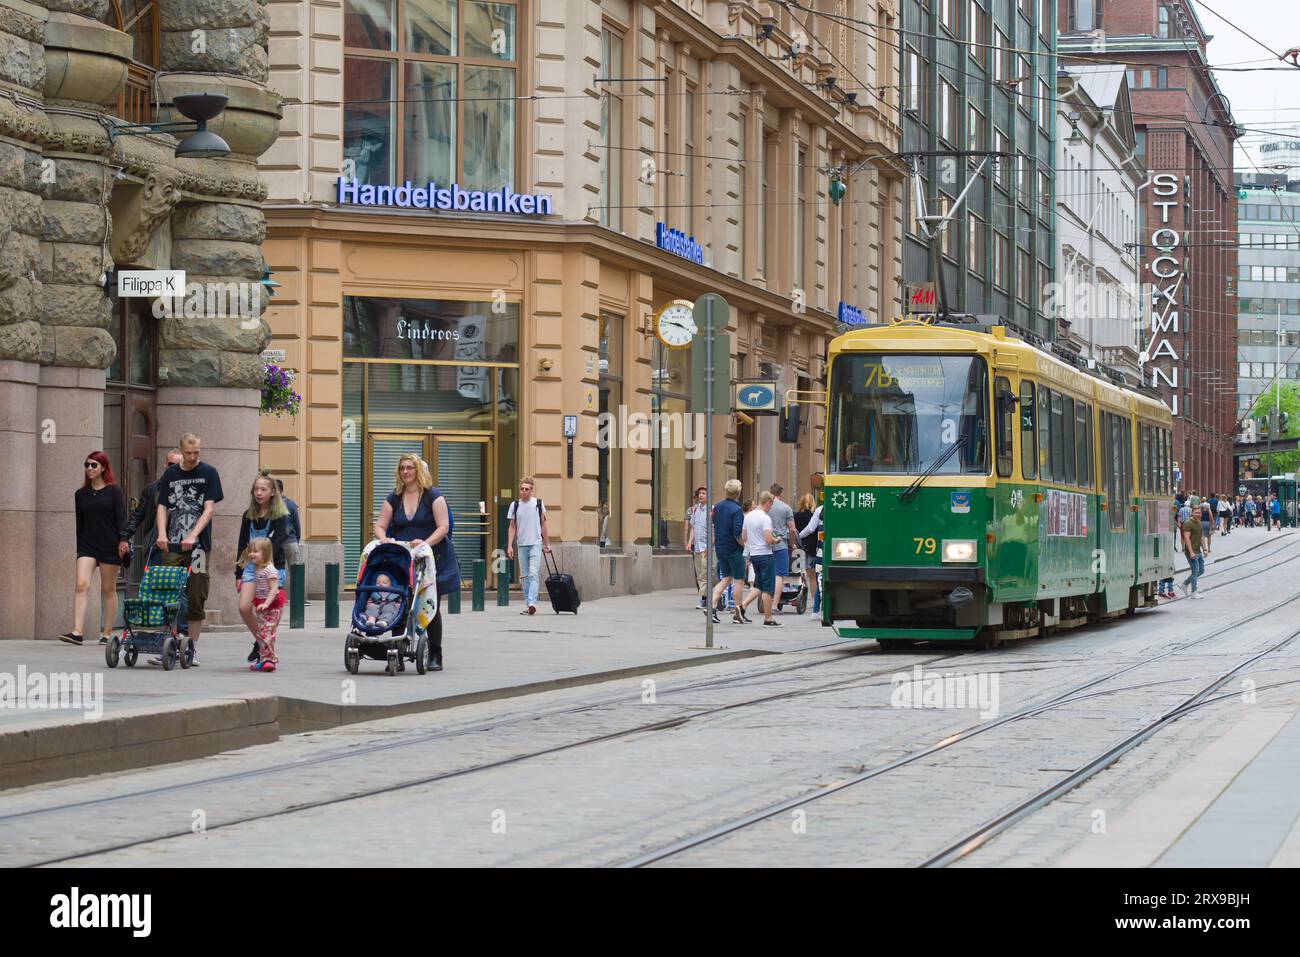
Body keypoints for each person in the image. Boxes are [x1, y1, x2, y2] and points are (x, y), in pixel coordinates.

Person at [374, 453, 459, 670]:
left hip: (431, 557)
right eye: (402, 468)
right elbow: (380, 525)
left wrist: (426, 543)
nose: (405, 472)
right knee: (399, 600)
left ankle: (435, 653)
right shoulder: (394, 497)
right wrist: (384, 540)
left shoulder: (433, 496)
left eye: (410, 468)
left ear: (417, 470)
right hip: (403, 557)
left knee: (431, 604)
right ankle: (397, 653)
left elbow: (443, 527)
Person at [154, 433, 223, 665]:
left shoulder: (209, 473)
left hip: (199, 548)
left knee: (196, 594)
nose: (193, 457)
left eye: (197, 453)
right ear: (181, 451)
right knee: (167, 590)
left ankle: (191, 649)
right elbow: (162, 506)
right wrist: (162, 533)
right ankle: (165, 643)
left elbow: (209, 509)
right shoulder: (171, 474)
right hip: (173, 543)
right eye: (189, 453)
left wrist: (194, 534)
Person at [62, 451, 128, 645]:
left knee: (108, 589)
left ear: (103, 468)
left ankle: (107, 633)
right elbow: (79, 524)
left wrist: (123, 540)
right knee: (81, 585)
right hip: (87, 546)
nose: (89, 469)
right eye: (87, 465)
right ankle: (77, 631)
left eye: (93, 465)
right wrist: (79, 549)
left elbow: (121, 518)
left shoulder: (114, 490)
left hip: (109, 545)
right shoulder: (80, 494)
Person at [235, 472, 296, 662]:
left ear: (272, 493)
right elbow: (242, 544)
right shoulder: (248, 515)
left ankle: (265, 651)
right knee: (244, 607)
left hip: (272, 568)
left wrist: (264, 562)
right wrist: (238, 573)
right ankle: (261, 641)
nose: (259, 493)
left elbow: (277, 543)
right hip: (250, 568)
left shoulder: (281, 515)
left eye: (263, 489)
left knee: (268, 612)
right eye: (256, 489)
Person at [118, 448, 183, 572]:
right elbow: (138, 515)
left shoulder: (188, 489)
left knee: (178, 585)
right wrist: (125, 537)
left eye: (178, 465)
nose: (174, 468)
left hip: (179, 545)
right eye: (171, 464)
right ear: (165, 464)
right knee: (154, 584)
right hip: (156, 544)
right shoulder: (152, 489)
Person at [506, 476, 551, 616]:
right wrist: (509, 546)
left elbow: (543, 524)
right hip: (521, 544)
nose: (524, 491)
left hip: (535, 544)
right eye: (522, 489)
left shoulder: (538, 503)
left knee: (533, 573)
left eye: (527, 489)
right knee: (524, 576)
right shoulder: (515, 505)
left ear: (531, 491)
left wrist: (547, 543)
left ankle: (532, 602)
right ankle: (528, 604)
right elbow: (512, 526)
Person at [738, 491, 781, 627]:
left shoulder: (748, 516)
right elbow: (768, 539)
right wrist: (777, 540)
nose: (770, 507)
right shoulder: (765, 518)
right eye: (771, 504)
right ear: (767, 502)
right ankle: (768, 618)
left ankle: (742, 606)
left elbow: (743, 537)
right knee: (768, 588)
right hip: (765, 554)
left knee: (759, 585)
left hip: (754, 555)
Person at [243, 538, 284, 672]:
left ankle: (270, 660)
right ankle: (263, 658)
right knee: (261, 633)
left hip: (272, 606)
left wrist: (267, 603)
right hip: (262, 605)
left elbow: (273, 589)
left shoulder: (270, 570)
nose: (251, 554)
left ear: (265, 553)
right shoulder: (256, 569)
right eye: (250, 551)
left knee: (267, 633)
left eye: (256, 551)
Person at [708, 479, 746, 624]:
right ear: (738, 493)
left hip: (720, 547)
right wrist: (744, 546)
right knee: (739, 580)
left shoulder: (717, 506)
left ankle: (711, 607)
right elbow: (737, 532)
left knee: (726, 578)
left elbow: (714, 525)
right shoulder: (737, 510)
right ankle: (737, 613)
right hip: (734, 549)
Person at [767, 484, 798, 613]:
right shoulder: (786, 508)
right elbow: (792, 529)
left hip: (766, 544)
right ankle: (774, 605)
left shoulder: (764, 506)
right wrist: (792, 544)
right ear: (781, 493)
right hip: (781, 545)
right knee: (779, 575)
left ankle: (766, 603)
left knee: (767, 574)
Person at [796, 495, 823, 616]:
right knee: (813, 577)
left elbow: (800, 530)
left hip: (799, 548)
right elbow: (812, 529)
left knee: (800, 574)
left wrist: (798, 538)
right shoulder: (814, 515)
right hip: (813, 549)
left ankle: (800, 595)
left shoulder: (796, 516)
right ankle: (814, 600)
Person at [684, 486, 710, 609]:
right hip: (697, 547)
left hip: (706, 547)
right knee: (700, 574)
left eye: (704, 493)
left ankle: (704, 599)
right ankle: (709, 597)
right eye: (700, 493)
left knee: (705, 574)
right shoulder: (695, 510)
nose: (701, 495)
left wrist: (710, 546)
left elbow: (713, 530)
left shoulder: (711, 510)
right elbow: (693, 528)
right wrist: (689, 542)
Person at [1180, 496, 1205, 600]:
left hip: (1198, 551)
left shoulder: (1199, 522)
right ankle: (1194, 592)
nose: (1198, 514)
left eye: (1199, 512)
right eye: (1196, 512)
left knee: (1201, 571)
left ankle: (1185, 584)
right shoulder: (1188, 523)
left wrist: (1205, 549)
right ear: (1192, 513)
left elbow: (1202, 536)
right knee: (1195, 571)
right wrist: (1190, 552)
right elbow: (1186, 538)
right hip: (1191, 551)